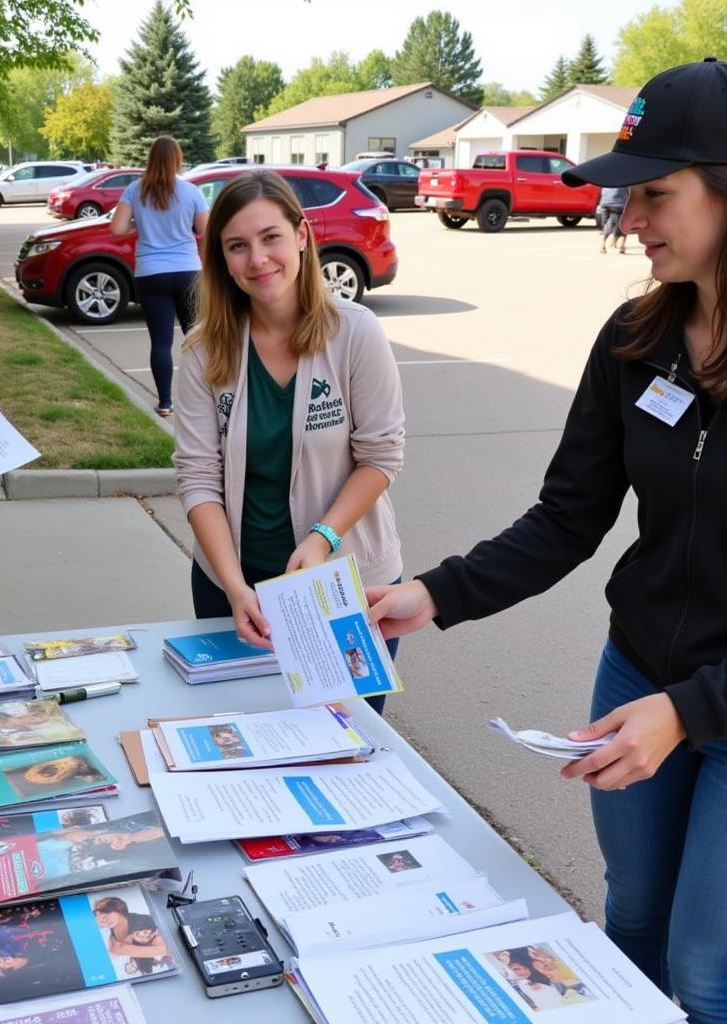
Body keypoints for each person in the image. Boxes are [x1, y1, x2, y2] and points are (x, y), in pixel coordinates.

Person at [367, 59, 727, 1023]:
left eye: (656, 194)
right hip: (637, 673)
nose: (630, 217)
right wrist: (434, 593)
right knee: (634, 920)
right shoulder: (635, 336)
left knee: (706, 972)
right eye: (625, 194)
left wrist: (693, 710)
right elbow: (569, 515)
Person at [173, 169, 405, 712]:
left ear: (301, 235)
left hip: (342, 584)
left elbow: (381, 457)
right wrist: (233, 586)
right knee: (247, 747)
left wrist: (322, 536)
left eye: (270, 237)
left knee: (349, 750)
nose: (257, 260)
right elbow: (198, 478)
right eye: (237, 246)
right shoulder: (202, 352)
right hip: (233, 587)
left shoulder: (355, 332)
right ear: (221, 259)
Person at [111, 136, 208, 417]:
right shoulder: (191, 191)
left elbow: (117, 229)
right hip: (188, 271)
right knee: (198, 338)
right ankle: (201, 402)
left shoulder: (134, 190)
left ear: (151, 159)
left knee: (161, 341)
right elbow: (205, 229)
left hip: (150, 273)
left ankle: (165, 402)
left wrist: (139, 224)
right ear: (177, 159)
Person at [598, 185, 629, 253]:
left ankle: (603, 246)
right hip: (619, 204)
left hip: (604, 203)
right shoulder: (626, 178)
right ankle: (621, 246)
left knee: (606, 224)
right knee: (623, 223)